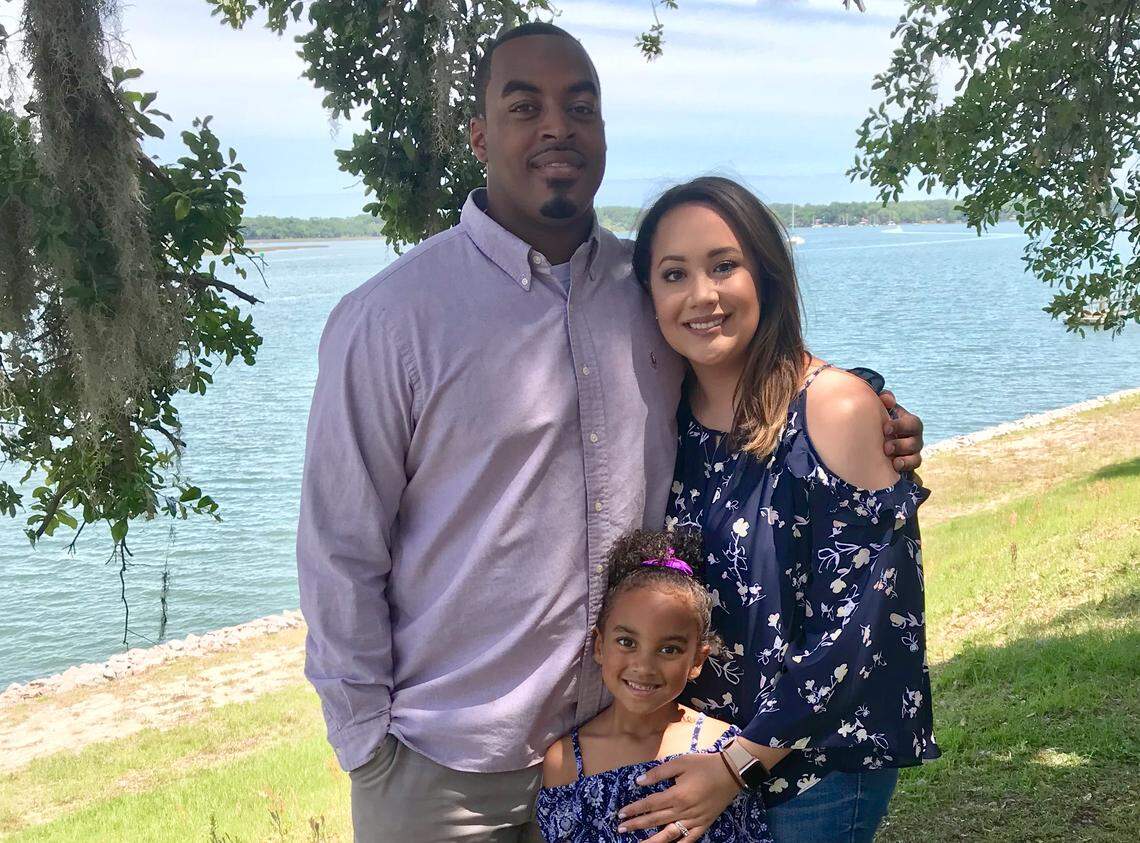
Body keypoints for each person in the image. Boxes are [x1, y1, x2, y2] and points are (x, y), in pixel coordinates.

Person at [296, 22, 926, 843]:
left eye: (579, 106)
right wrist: (366, 744)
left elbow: (760, 365)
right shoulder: (388, 320)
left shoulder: (646, 288)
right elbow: (339, 546)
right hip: (443, 764)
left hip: (627, 743)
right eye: (524, 106)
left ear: (601, 131)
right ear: (481, 134)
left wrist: (869, 406)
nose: (556, 125)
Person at [610, 177, 938, 843]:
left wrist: (733, 767)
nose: (702, 295)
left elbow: (855, 635)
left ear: (765, 273)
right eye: (674, 274)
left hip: (811, 774)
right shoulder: (671, 419)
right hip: (701, 756)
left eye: (724, 265)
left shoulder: (835, 409)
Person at [536, 529, 771, 842]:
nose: (644, 666)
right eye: (626, 642)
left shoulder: (723, 749)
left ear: (697, 660)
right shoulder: (564, 760)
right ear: (599, 647)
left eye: (669, 649)